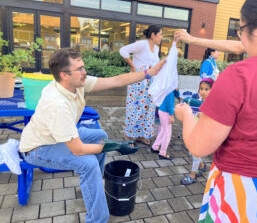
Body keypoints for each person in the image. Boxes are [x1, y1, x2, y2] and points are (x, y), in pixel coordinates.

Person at [175, 0, 257, 222]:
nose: (240, 38)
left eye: (240, 29)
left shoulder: (241, 74)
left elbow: (199, 145)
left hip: (244, 195)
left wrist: (185, 115)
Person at [19, 48, 165, 223]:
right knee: (88, 163)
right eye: (79, 69)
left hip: (58, 135)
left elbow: (115, 80)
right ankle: (97, 219)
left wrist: (149, 72)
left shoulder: (76, 83)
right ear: (63, 75)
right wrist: (116, 146)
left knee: (99, 135)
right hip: (38, 148)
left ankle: (91, 186)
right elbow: (79, 150)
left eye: (83, 66)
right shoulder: (57, 104)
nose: (84, 72)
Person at [120, 25, 163, 145]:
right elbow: (123, 51)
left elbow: (154, 64)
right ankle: (128, 136)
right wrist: (132, 65)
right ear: (153, 35)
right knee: (134, 109)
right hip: (138, 81)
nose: (162, 37)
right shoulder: (142, 44)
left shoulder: (156, 48)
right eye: (160, 34)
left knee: (148, 109)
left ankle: (140, 135)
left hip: (150, 83)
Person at [180, 78, 213, 185]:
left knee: (195, 154)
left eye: (206, 89)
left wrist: (205, 116)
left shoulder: (212, 104)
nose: (203, 91)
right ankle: (202, 166)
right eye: (201, 88)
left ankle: (192, 175)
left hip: (203, 134)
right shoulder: (200, 101)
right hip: (194, 131)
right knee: (191, 152)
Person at [151, 89, 179, 160]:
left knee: (163, 131)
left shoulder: (169, 87)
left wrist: (176, 90)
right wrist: (171, 115)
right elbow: (169, 103)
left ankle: (155, 147)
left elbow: (177, 96)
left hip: (163, 111)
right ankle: (162, 153)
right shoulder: (169, 90)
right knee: (167, 134)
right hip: (166, 113)